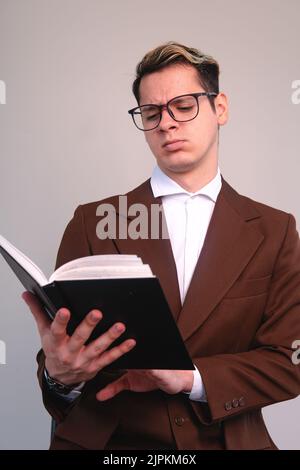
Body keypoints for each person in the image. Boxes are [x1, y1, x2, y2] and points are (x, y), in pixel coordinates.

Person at [22, 41, 300, 450]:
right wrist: (58, 375)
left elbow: (288, 362)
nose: (167, 123)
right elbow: (60, 359)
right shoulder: (94, 221)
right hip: (112, 446)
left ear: (219, 108)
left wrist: (190, 378)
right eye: (151, 113)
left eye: (184, 106)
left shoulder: (275, 230)